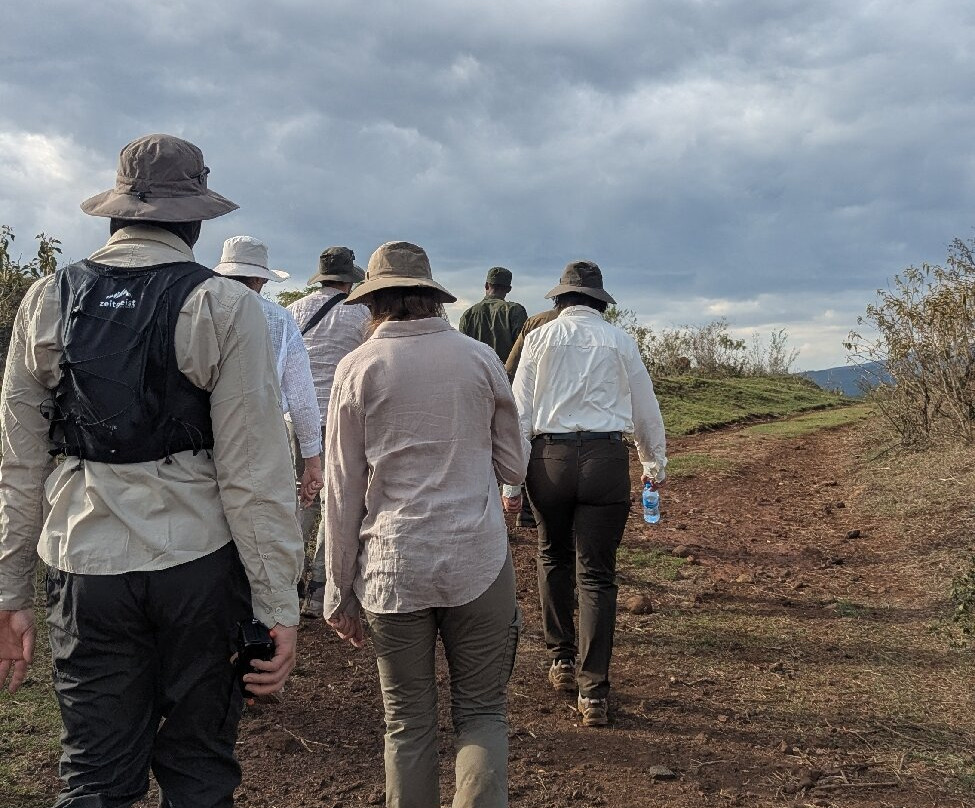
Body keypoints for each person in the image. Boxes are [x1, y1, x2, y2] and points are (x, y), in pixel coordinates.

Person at [0, 134, 303, 808]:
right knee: (198, 770)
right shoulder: (226, 305)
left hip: (86, 564)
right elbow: (254, 473)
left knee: (96, 775)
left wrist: (10, 590)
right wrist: (279, 603)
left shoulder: (47, 299)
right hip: (197, 563)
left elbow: (18, 463)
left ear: (116, 212)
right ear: (195, 220)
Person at [323, 241, 527, 808]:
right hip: (477, 558)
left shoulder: (357, 367)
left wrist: (338, 590)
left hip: (393, 567)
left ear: (374, 302)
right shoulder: (479, 358)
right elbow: (514, 465)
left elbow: (341, 491)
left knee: (407, 722)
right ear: (432, 295)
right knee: (482, 713)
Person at [504, 260, 667, 728]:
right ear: (599, 301)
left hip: (548, 461)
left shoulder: (537, 339)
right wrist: (653, 466)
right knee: (597, 574)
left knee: (552, 554)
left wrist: (512, 483)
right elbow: (645, 409)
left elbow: (520, 414)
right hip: (605, 460)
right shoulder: (620, 341)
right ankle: (594, 688)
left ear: (559, 300)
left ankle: (559, 658)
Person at [286, 247, 370, 617]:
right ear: (350, 279)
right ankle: (320, 590)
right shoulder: (363, 316)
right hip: (335, 419)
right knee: (332, 503)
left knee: (296, 498)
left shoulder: (293, 312)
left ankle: (288, 582)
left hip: (292, 417)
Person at [213, 235, 323, 507]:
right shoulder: (279, 318)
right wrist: (312, 460)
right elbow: (301, 397)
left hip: (204, 436)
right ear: (260, 279)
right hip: (262, 437)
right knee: (263, 521)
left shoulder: (201, 310)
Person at [504, 305, 560, 529]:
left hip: (528, 391)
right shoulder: (600, 329)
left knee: (526, 442)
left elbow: (512, 364)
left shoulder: (535, 322)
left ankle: (526, 512)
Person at [457, 266, 528, 363]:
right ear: (509, 289)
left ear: (486, 285)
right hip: (506, 375)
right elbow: (524, 348)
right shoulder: (515, 311)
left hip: (476, 374)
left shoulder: (468, 314)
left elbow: (462, 350)